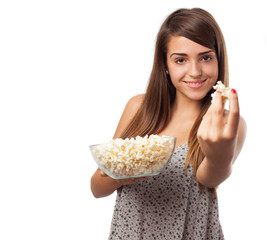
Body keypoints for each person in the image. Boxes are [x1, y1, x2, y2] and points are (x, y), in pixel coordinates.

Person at [91, 8, 246, 239]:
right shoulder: (138, 108)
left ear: (218, 59)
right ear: (165, 64)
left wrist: (219, 156)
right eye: (181, 60)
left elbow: (210, 178)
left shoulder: (227, 124)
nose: (195, 71)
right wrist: (117, 176)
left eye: (205, 57)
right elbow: (97, 188)